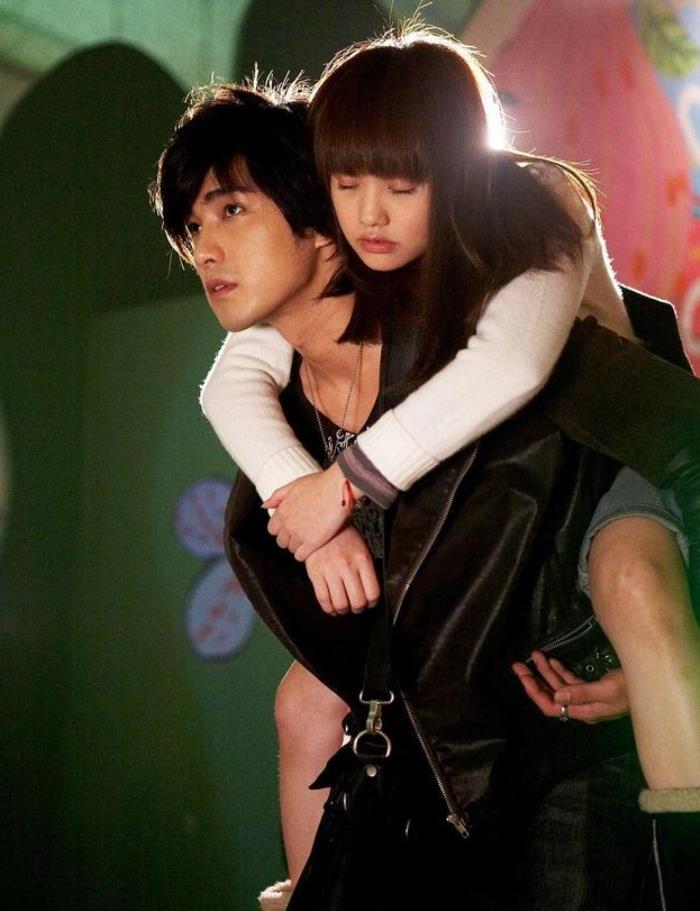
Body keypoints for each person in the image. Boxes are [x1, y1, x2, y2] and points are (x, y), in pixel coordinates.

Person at [152, 75, 692, 909]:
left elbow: (545, 378)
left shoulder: (508, 253)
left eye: (231, 210)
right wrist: (306, 499)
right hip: (479, 721)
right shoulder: (290, 346)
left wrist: (340, 489)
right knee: (304, 702)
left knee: (636, 582)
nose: (206, 249)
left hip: (614, 505)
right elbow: (228, 379)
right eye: (193, 227)